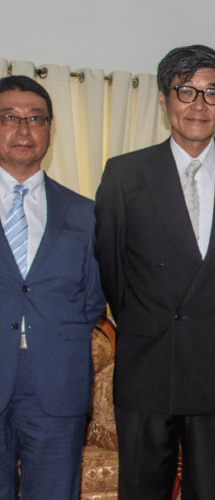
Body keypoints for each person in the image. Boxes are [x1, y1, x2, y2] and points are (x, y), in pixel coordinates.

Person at [95, 45, 215, 499]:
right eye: (185, 91)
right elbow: (112, 271)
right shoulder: (124, 174)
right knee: (141, 489)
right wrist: (149, 320)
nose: (198, 105)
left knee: (213, 489)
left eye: (212, 93)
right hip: (147, 362)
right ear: (164, 99)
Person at [0, 75, 105, 499]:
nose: (24, 129)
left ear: (50, 129)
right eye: (9, 117)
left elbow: (93, 298)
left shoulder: (85, 213)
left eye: (36, 119)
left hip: (55, 383)